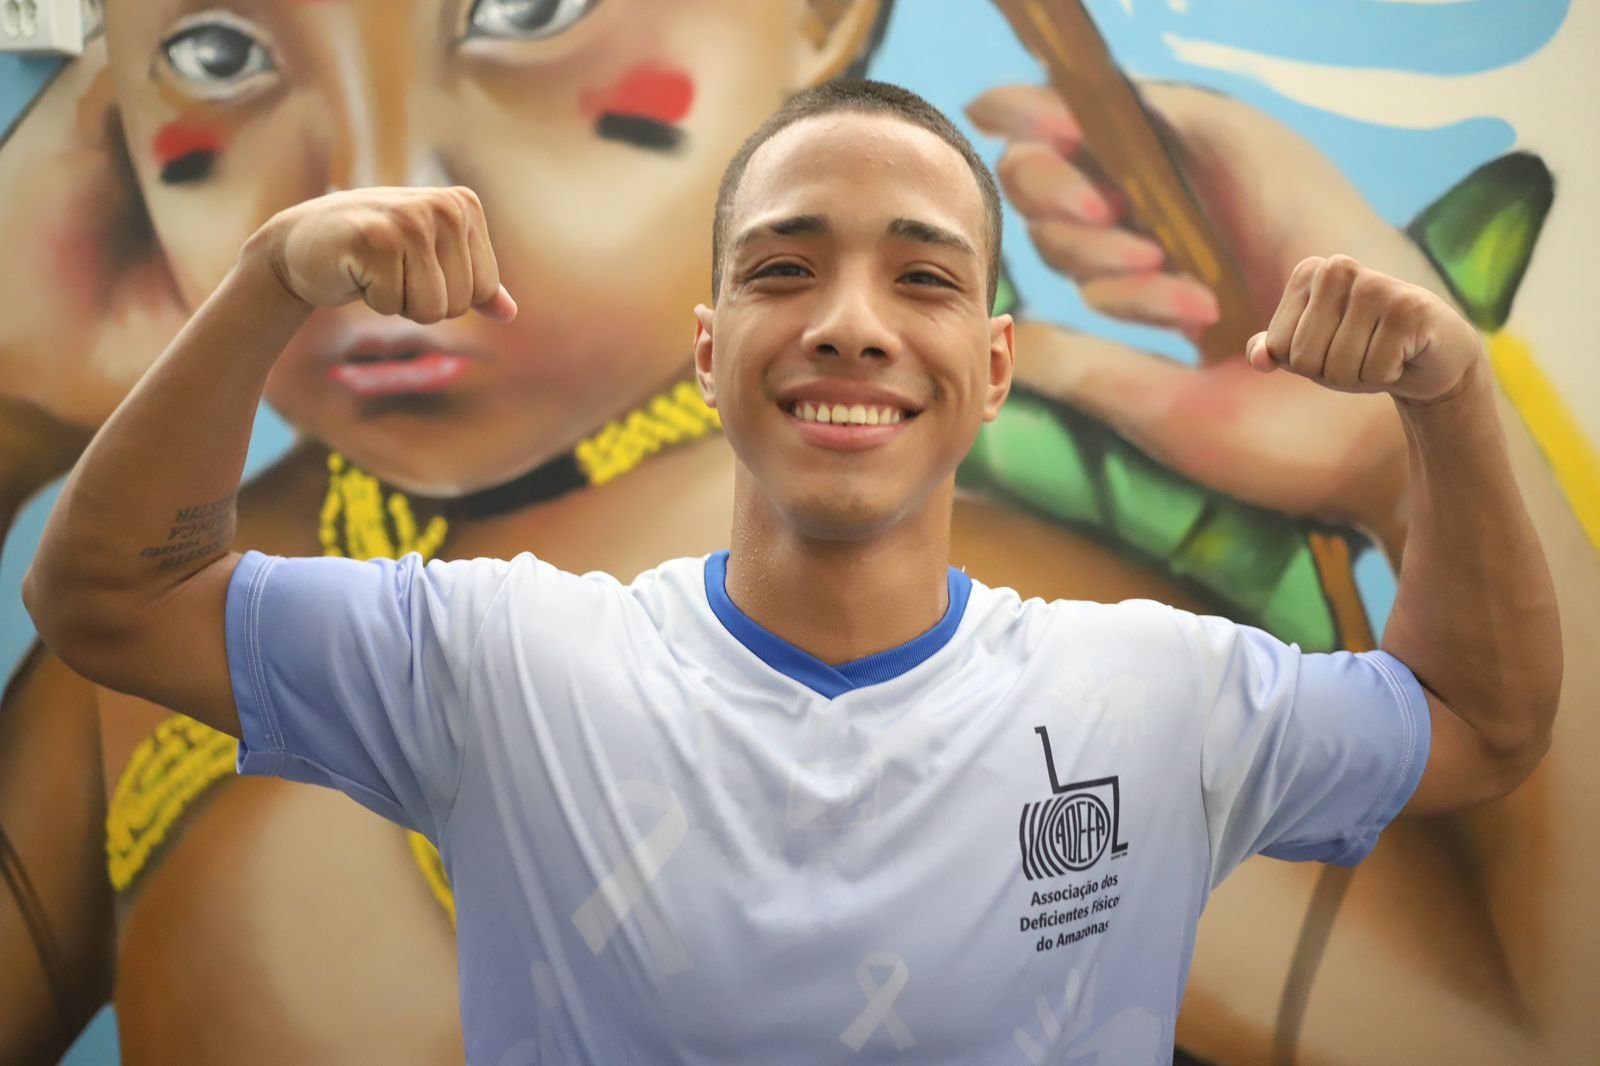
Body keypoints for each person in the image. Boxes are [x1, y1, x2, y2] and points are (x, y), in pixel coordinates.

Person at [24, 78, 1559, 1064]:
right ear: (710, 351)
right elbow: (106, 597)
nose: (849, 323)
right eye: (783, 268)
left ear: (994, 365)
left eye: (923, 276)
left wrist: (1434, 410)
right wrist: (267, 283)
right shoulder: (498, 662)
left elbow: (1481, 722)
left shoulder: (1155, 691)